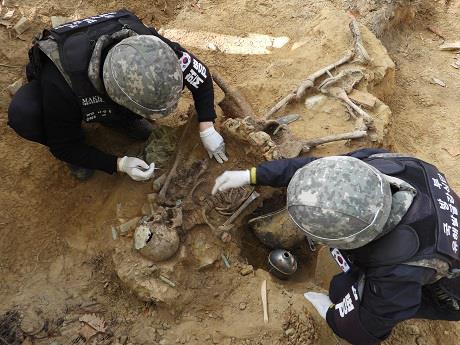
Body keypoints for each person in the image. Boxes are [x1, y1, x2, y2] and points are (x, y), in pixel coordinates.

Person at [212, 148, 460, 345]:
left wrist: (332, 315)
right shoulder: (374, 167)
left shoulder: (400, 270)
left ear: (355, 239)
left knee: (340, 290)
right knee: (343, 281)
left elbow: (367, 330)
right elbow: (315, 171)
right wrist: (253, 175)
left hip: (450, 291)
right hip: (437, 230)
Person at [8, 9, 227, 181]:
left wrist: (206, 125)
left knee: (133, 106)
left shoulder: (151, 46)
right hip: (63, 78)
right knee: (25, 115)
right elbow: (62, 146)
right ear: (113, 96)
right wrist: (118, 164)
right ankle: (97, 134)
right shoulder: (62, 84)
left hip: (105, 81)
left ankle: (119, 121)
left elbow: (200, 74)